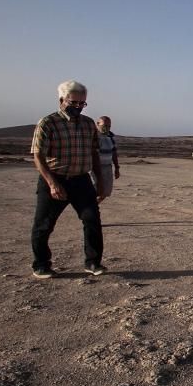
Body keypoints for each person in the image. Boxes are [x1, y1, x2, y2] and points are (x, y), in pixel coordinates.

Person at [29, 80, 106, 278]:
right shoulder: (48, 123)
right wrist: (52, 183)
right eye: (74, 103)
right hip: (55, 178)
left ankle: (93, 262)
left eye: (82, 104)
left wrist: (100, 180)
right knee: (44, 224)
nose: (78, 107)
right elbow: (38, 156)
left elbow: (94, 154)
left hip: (81, 180)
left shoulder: (89, 124)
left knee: (92, 220)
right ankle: (41, 264)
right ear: (62, 100)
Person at [92, 116, 121, 198]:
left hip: (107, 167)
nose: (107, 128)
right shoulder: (94, 137)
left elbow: (114, 153)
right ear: (98, 124)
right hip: (95, 168)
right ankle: (91, 209)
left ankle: (93, 208)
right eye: (104, 126)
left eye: (109, 126)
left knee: (106, 192)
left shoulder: (111, 137)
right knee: (95, 190)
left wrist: (117, 168)